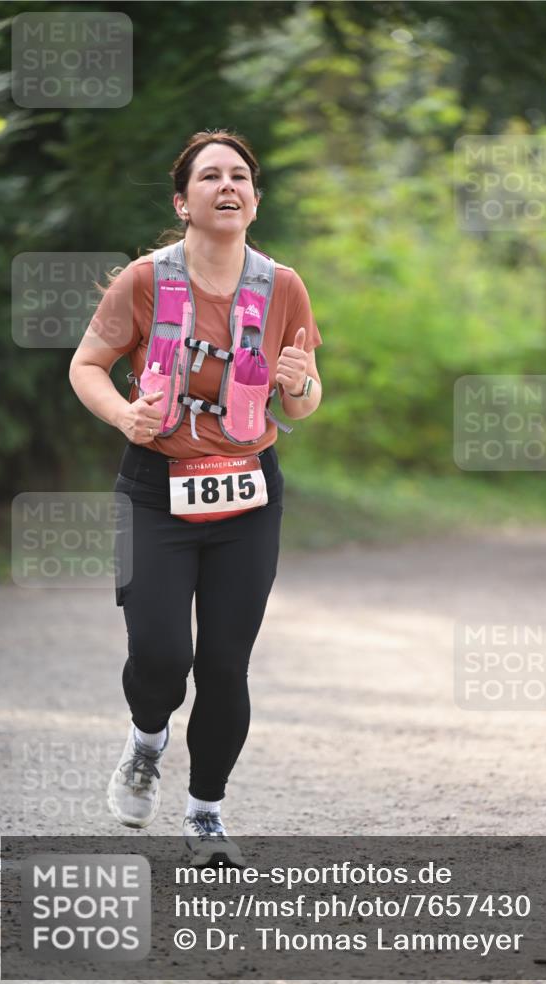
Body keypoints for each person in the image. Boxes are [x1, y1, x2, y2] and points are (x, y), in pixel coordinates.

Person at [69, 129, 323, 864]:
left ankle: (206, 813)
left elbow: (304, 399)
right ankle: (146, 741)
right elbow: (87, 365)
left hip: (249, 495)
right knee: (160, 655)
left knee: (223, 666)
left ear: (255, 200)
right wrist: (124, 415)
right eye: (210, 176)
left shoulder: (283, 286)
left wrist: (298, 386)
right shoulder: (144, 281)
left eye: (239, 176)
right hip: (156, 490)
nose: (227, 186)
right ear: (183, 202)